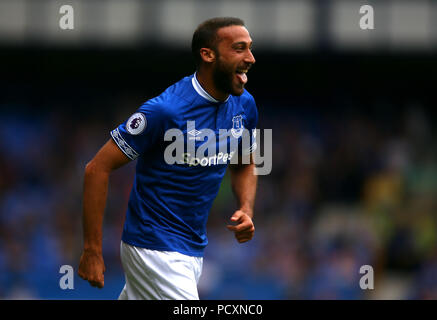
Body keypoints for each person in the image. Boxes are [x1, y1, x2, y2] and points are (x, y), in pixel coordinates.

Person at [78, 17, 258, 300]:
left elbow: (246, 161)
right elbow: (96, 168)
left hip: (191, 250)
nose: (250, 58)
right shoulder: (166, 111)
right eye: (239, 48)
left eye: (250, 48)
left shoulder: (245, 105)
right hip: (154, 249)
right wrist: (92, 250)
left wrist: (246, 208)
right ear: (208, 54)